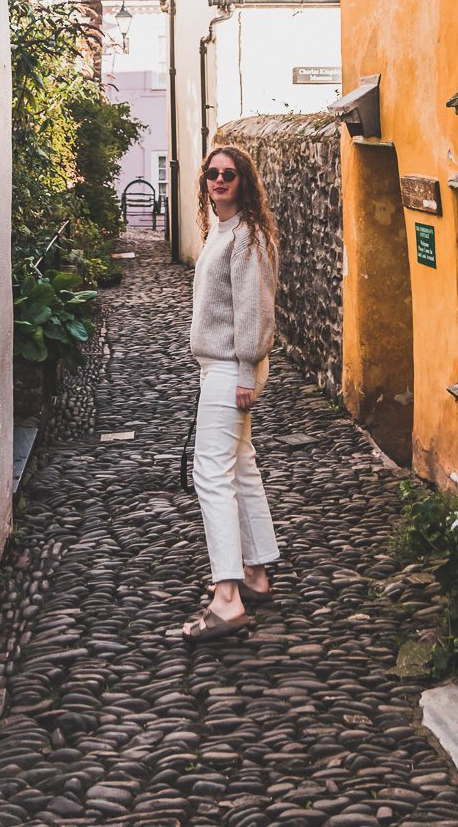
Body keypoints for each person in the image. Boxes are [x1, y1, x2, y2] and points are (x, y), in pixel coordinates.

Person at [183, 144, 280, 641]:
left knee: (211, 475)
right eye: (212, 174)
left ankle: (226, 597)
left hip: (229, 370)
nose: (219, 181)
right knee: (240, 466)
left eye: (229, 174)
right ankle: (257, 572)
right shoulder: (220, 231)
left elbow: (255, 313)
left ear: (244, 181)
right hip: (219, 367)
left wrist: (245, 373)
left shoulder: (247, 237)